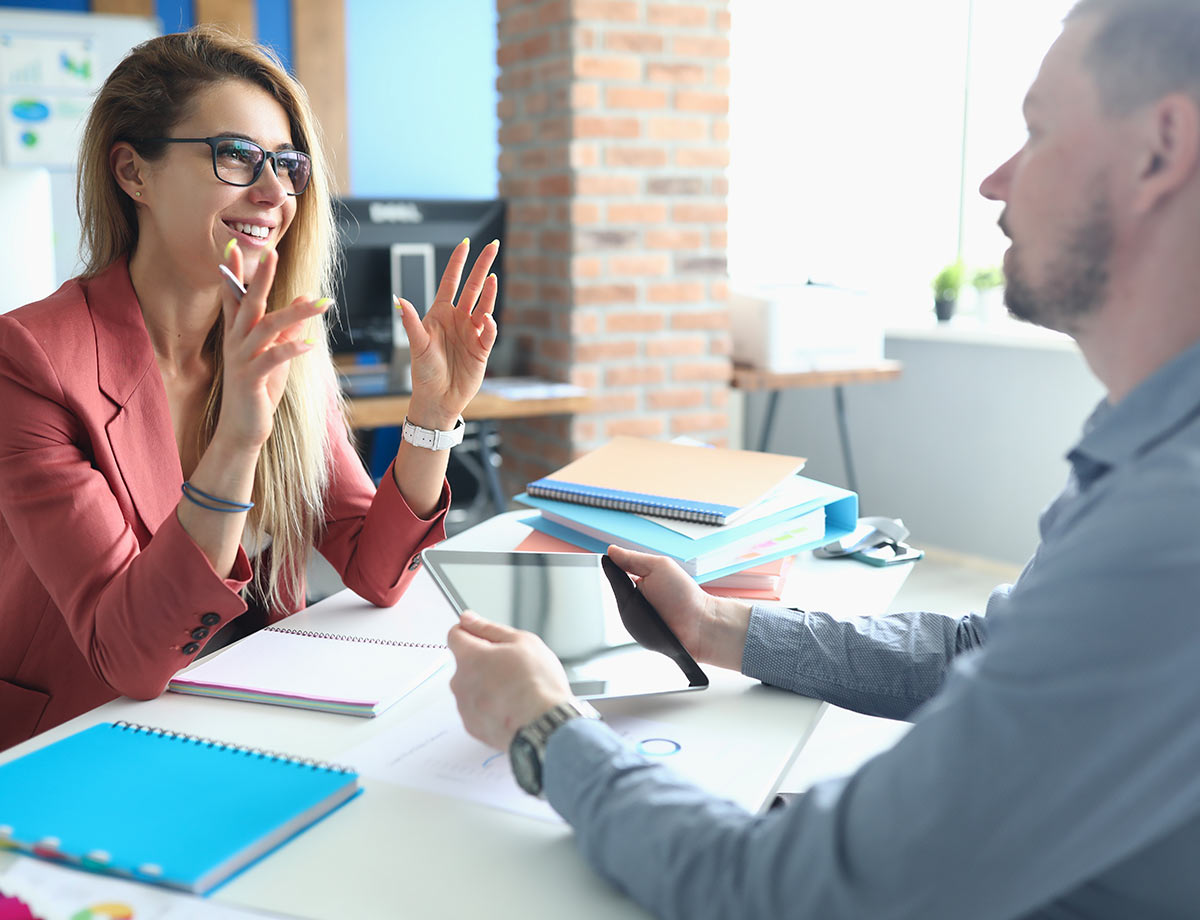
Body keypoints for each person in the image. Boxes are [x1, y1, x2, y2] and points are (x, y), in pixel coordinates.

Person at [448, 1, 1200, 916]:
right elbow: (980, 650)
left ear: (1161, 149)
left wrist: (543, 729)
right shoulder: (1147, 447)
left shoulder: (1169, 523)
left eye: (1037, 133)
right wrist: (720, 627)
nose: (994, 183)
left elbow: (782, 892)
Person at [0, 26, 499, 751]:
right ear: (133, 174)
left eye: (288, 164)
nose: (274, 192)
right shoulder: (33, 361)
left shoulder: (278, 346)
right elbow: (130, 654)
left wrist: (433, 417)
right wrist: (236, 439)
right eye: (235, 155)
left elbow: (377, 570)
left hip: (247, 714)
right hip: (79, 739)